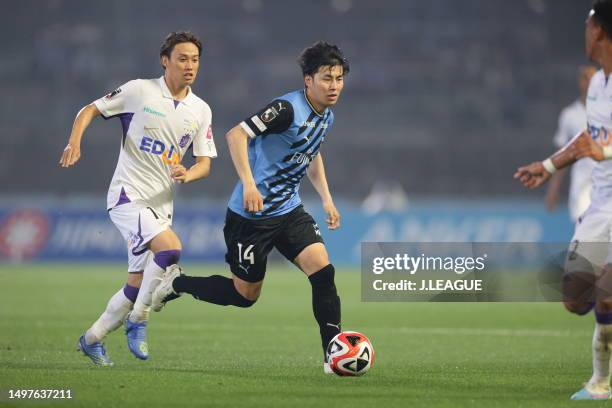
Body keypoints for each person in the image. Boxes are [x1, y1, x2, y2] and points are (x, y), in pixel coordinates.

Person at [152, 41, 347, 373]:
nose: (334, 86)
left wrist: (327, 199)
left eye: (339, 78)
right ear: (308, 79)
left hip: (288, 211)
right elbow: (235, 136)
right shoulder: (286, 110)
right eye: (326, 78)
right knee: (245, 296)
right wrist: (250, 185)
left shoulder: (325, 117)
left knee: (322, 271)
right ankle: (176, 283)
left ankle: (334, 353)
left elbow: (310, 154)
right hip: (250, 217)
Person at [59, 31, 217, 366]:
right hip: (127, 196)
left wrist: (188, 173)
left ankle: (92, 339)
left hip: (162, 205)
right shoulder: (138, 91)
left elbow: (204, 163)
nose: (190, 66)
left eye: (195, 59)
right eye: (183, 58)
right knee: (171, 249)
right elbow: (89, 110)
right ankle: (139, 320)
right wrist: (75, 141)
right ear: (165, 60)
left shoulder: (200, 110)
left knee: (135, 286)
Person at [514, 1, 612, 399]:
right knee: (575, 296)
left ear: (601, 32)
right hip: (601, 205)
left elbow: (599, 146)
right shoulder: (598, 85)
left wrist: (604, 153)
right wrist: (550, 166)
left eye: (588, 26)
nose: (584, 32)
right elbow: (588, 137)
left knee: (607, 290)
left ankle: (600, 383)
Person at [545, 66, 597, 222]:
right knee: (584, 234)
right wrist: (553, 188)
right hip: (581, 186)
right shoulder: (569, 115)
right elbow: (562, 153)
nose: (589, 83)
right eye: (585, 79)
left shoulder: (607, 112)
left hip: (606, 185)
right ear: (580, 82)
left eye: (592, 79)